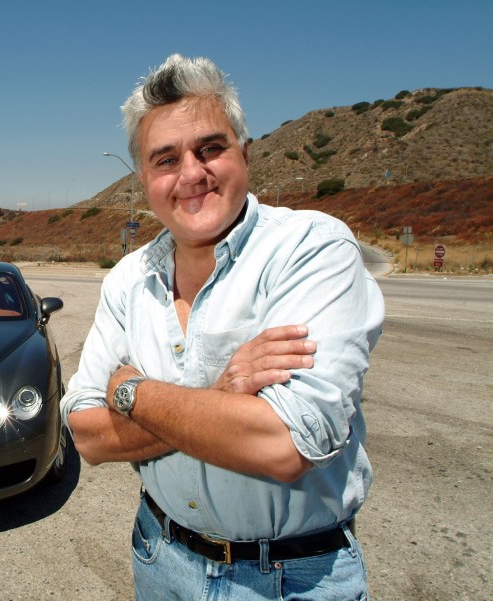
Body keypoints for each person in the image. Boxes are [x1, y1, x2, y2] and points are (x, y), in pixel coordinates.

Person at [60, 54, 384, 600]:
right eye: (165, 159)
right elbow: (88, 435)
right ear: (144, 180)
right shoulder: (127, 280)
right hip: (160, 555)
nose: (191, 174)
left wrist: (131, 393)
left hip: (291, 577)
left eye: (210, 148)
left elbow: (285, 444)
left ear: (245, 154)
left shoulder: (310, 249)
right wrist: (220, 395)